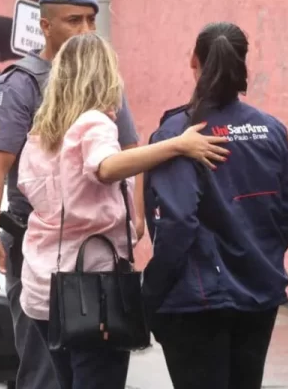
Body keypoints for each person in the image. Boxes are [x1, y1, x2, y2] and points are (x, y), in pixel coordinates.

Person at [17, 32, 229, 389]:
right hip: (91, 290)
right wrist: (178, 145)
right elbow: (106, 166)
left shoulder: (42, 131)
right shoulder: (94, 123)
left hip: (42, 288)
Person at [0, 0, 142, 389]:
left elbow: (128, 150)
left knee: (93, 370)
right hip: (39, 248)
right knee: (44, 373)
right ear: (45, 27)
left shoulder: (98, 76)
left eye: (90, 20)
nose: (85, 30)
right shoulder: (22, 83)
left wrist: (134, 219)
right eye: (73, 21)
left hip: (92, 255)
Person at [142, 22, 288, 389]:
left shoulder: (178, 137)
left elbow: (177, 223)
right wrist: (258, 255)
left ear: (192, 60)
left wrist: (152, 289)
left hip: (195, 300)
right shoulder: (271, 129)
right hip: (258, 295)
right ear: (244, 63)